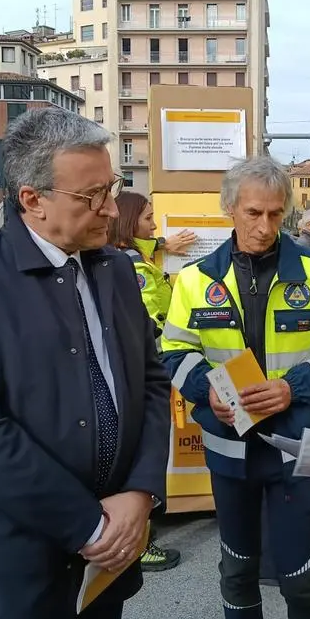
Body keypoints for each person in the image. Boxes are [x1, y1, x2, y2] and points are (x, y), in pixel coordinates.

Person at [0, 108, 171, 619]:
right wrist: (85, 523)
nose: (110, 208)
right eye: (91, 196)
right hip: (9, 566)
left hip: (105, 561)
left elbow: (150, 383)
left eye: (113, 187)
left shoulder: (119, 272)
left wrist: (141, 492)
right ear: (32, 199)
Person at [162, 156, 310, 619]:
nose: (264, 226)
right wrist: (204, 388)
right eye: (253, 213)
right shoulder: (195, 280)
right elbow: (173, 351)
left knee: (299, 579)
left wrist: (290, 389)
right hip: (228, 450)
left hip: (297, 451)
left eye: (276, 214)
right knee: (236, 573)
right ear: (229, 208)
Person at [109, 190, 184, 572]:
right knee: (141, 453)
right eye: (148, 219)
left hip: (147, 368)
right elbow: (143, 323)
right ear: (128, 223)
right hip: (144, 368)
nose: (154, 225)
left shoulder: (137, 258)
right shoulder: (132, 266)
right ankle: (141, 543)